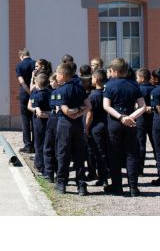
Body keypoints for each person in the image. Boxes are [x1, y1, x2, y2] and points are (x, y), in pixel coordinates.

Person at [103, 58, 146, 196]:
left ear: (115, 71)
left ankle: (117, 186)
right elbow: (143, 107)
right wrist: (130, 117)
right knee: (131, 154)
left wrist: (121, 117)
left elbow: (106, 106)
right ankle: (133, 187)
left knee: (114, 154)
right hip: (131, 122)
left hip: (115, 122)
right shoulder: (134, 85)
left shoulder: (109, 85)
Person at [54, 63, 90, 196]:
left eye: (57, 74)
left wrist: (73, 112)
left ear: (63, 75)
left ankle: (61, 183)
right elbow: (88, 106)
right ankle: (81, 185)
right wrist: (79, 112)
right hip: (78, 124)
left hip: (65, 124)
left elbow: (66, 111)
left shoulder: (61, 91)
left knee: (63, 153)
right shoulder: (80, 88)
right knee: (79, 155)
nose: (56, 77)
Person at [86, 69, 110, 187]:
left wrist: (86, 127)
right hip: (107, 125)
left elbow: (90, 114)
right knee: (107, 152)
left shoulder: (93, 95)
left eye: (92, 78)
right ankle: (107, 177)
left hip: (96, 126)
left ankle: (103, 178)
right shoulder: (107, 93)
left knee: (99, 153)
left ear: (96, 79)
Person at [27, 72, 51, 176]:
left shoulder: (36, 95)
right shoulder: (51, 93)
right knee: (48, 144)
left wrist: (39, 112)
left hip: (39, 122)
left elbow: (33, 107)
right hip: (49, 121)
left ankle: (42, 167)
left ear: (37, 83)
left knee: (39, 144)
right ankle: (47, 167)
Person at [135, 68, 155, 175]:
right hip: (152, 119)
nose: (136, 79)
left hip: (141, 118)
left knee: (140, 144)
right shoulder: (154, 88)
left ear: (142, 79)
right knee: (155, 143)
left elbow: (136, 104)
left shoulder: (138, 90)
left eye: (137, 77)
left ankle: (139, 169)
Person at [16, 48, 36, 153]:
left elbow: (22, 82)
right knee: (35, 119)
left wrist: (28, 92)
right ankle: (35, 145)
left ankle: (27, 146)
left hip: (25, 94)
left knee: (25, 120)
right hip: (36, 94)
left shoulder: (19, 66)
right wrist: (33, 93)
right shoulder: (36, 63)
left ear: (21, 56)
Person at [43, 74, 60, 183]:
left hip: (55, 119)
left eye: (51, 81)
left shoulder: (55, 93)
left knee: (49, 147)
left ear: (57, 81)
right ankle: (59, 174)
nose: (50, 84)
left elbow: (57, 108)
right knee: (59, 148)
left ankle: (49, 173)